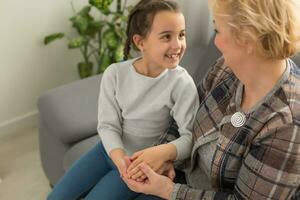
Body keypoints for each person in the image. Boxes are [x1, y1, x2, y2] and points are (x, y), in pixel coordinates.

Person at [122, 0, 300, 199]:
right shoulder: (226, 67)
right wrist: (166, 154)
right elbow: (185, 116)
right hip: (180, 177)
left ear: (247, 39)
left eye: (218, 31)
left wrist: (168, 191)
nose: (215, 41)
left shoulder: (287, 124)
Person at [47, 0, 199, 200]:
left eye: (181, 34)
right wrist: (119, 159)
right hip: (107, 152)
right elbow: (108, 125)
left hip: (140, 166)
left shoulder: (182, 84)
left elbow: (191, 139)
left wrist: (161, 154)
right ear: (140, 42)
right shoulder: (115, 74)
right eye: (166, 37)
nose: (177, 44)